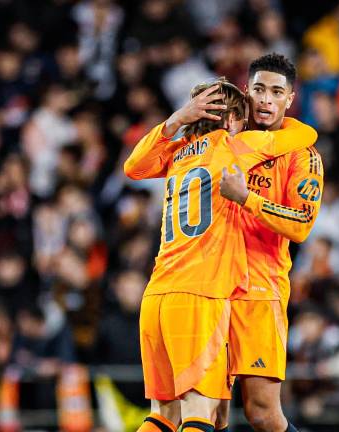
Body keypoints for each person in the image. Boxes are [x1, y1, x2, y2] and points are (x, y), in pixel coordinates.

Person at [124, 79, 317, 432]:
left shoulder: (177, 153)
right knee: (201, 412)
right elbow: (305, 134)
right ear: (229, 120)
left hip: (157, 294)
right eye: (241, 117)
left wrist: (178, 119)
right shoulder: (234, 146)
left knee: (163, 416)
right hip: (200, 295)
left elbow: (133, 167)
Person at [215, 53, 324, 432]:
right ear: (246, 91)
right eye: (259, 89)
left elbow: (302, 224)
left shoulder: (303, 155)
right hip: (212, 287)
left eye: (277, 92)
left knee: (262, 413)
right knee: (209, 411)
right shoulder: (225, 142)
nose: (266, 99)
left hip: (260, 291)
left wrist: (248, 198)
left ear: (289, 99)